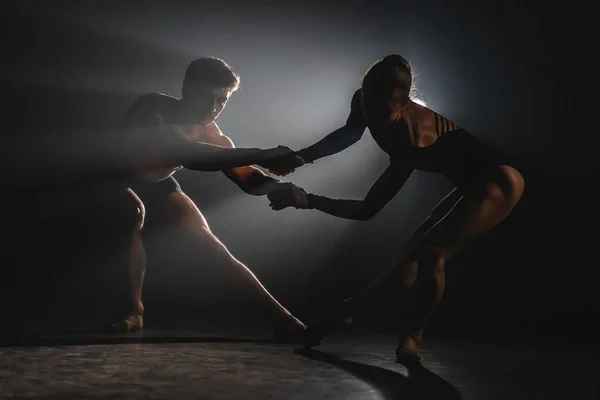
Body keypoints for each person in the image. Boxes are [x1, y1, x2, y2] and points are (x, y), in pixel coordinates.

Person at [266, 54, 525, 365]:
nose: (372, 118)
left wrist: (308, 200)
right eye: (368, 109)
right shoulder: (365, 100)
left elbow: (367, 209)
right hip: (469, 183)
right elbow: (350, 132)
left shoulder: (411, 140)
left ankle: (412, 335)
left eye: (382, 114)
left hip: (499, 180)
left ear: (402, 107)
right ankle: (344, 316)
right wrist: (301, 157)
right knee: (405, 264)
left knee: (430, 256)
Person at [109, 57, 306, 339]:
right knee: (134, 211)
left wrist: (280, 188)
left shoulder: (214, 135)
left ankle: (282, 318)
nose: (212, 109)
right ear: (187, 87)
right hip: (109, 178)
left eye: (221, 101)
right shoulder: (153, 107)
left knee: (208, 241)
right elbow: (189, 154)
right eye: (205, 98)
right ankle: (134, 311)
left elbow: (246, 178)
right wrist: (264, 154)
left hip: (158, 184)